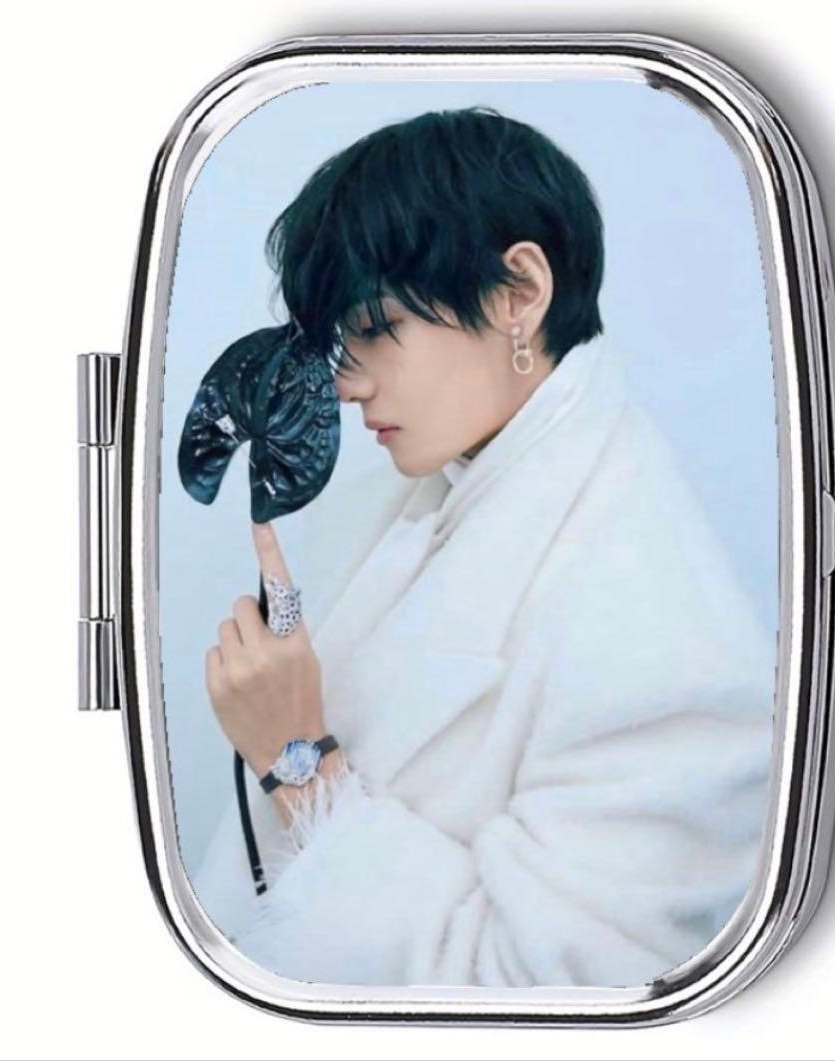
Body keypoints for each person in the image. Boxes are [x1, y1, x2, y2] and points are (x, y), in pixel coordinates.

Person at [191, 106, 776, 988]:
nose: (346, 385)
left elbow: (562, 999)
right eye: (340, 341)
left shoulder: (662, 633)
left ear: (518, 294)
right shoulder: (400, 504)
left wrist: (299, 760)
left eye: (374, 326)